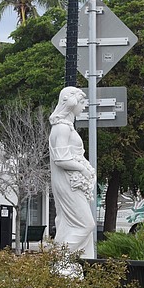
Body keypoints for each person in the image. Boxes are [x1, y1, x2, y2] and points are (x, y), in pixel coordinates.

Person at [49, 86, 96, 257]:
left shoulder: (66, 127)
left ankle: (69, 262)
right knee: (86, 224)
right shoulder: (61, 128)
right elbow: (60, 159)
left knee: (68, 223)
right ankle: (59, 257)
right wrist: (82, 168)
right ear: (72, 102)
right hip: (69, 183)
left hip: (73, 182)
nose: (84, 106)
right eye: (82, 102)